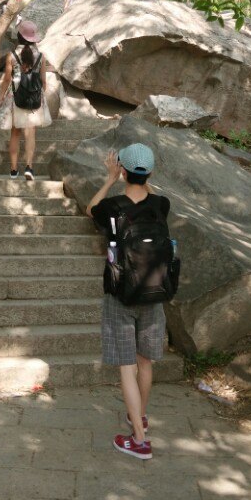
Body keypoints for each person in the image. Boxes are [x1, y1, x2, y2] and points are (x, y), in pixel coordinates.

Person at [86, 143, 170, 460]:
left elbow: (90, 209)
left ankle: (138, 440)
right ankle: (141, 418)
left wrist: (109, 179)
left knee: (127, 366)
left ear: (122, 170)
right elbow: (150, 194)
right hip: (154, 292)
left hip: (121, 294)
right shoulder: (162, 204)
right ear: (149, 172)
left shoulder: (112, 207)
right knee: (144, 362)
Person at [0, 19, 51, 181]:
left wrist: (0, 98)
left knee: (15, 134)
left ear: (19, 36)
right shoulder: (41, 56)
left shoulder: (12, 56)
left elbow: (6, 80)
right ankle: (29, 168)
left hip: (15, 98)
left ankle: (13, 170)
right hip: (34, 100)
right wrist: (38, 96)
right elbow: (43, 81)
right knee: (30, 134)